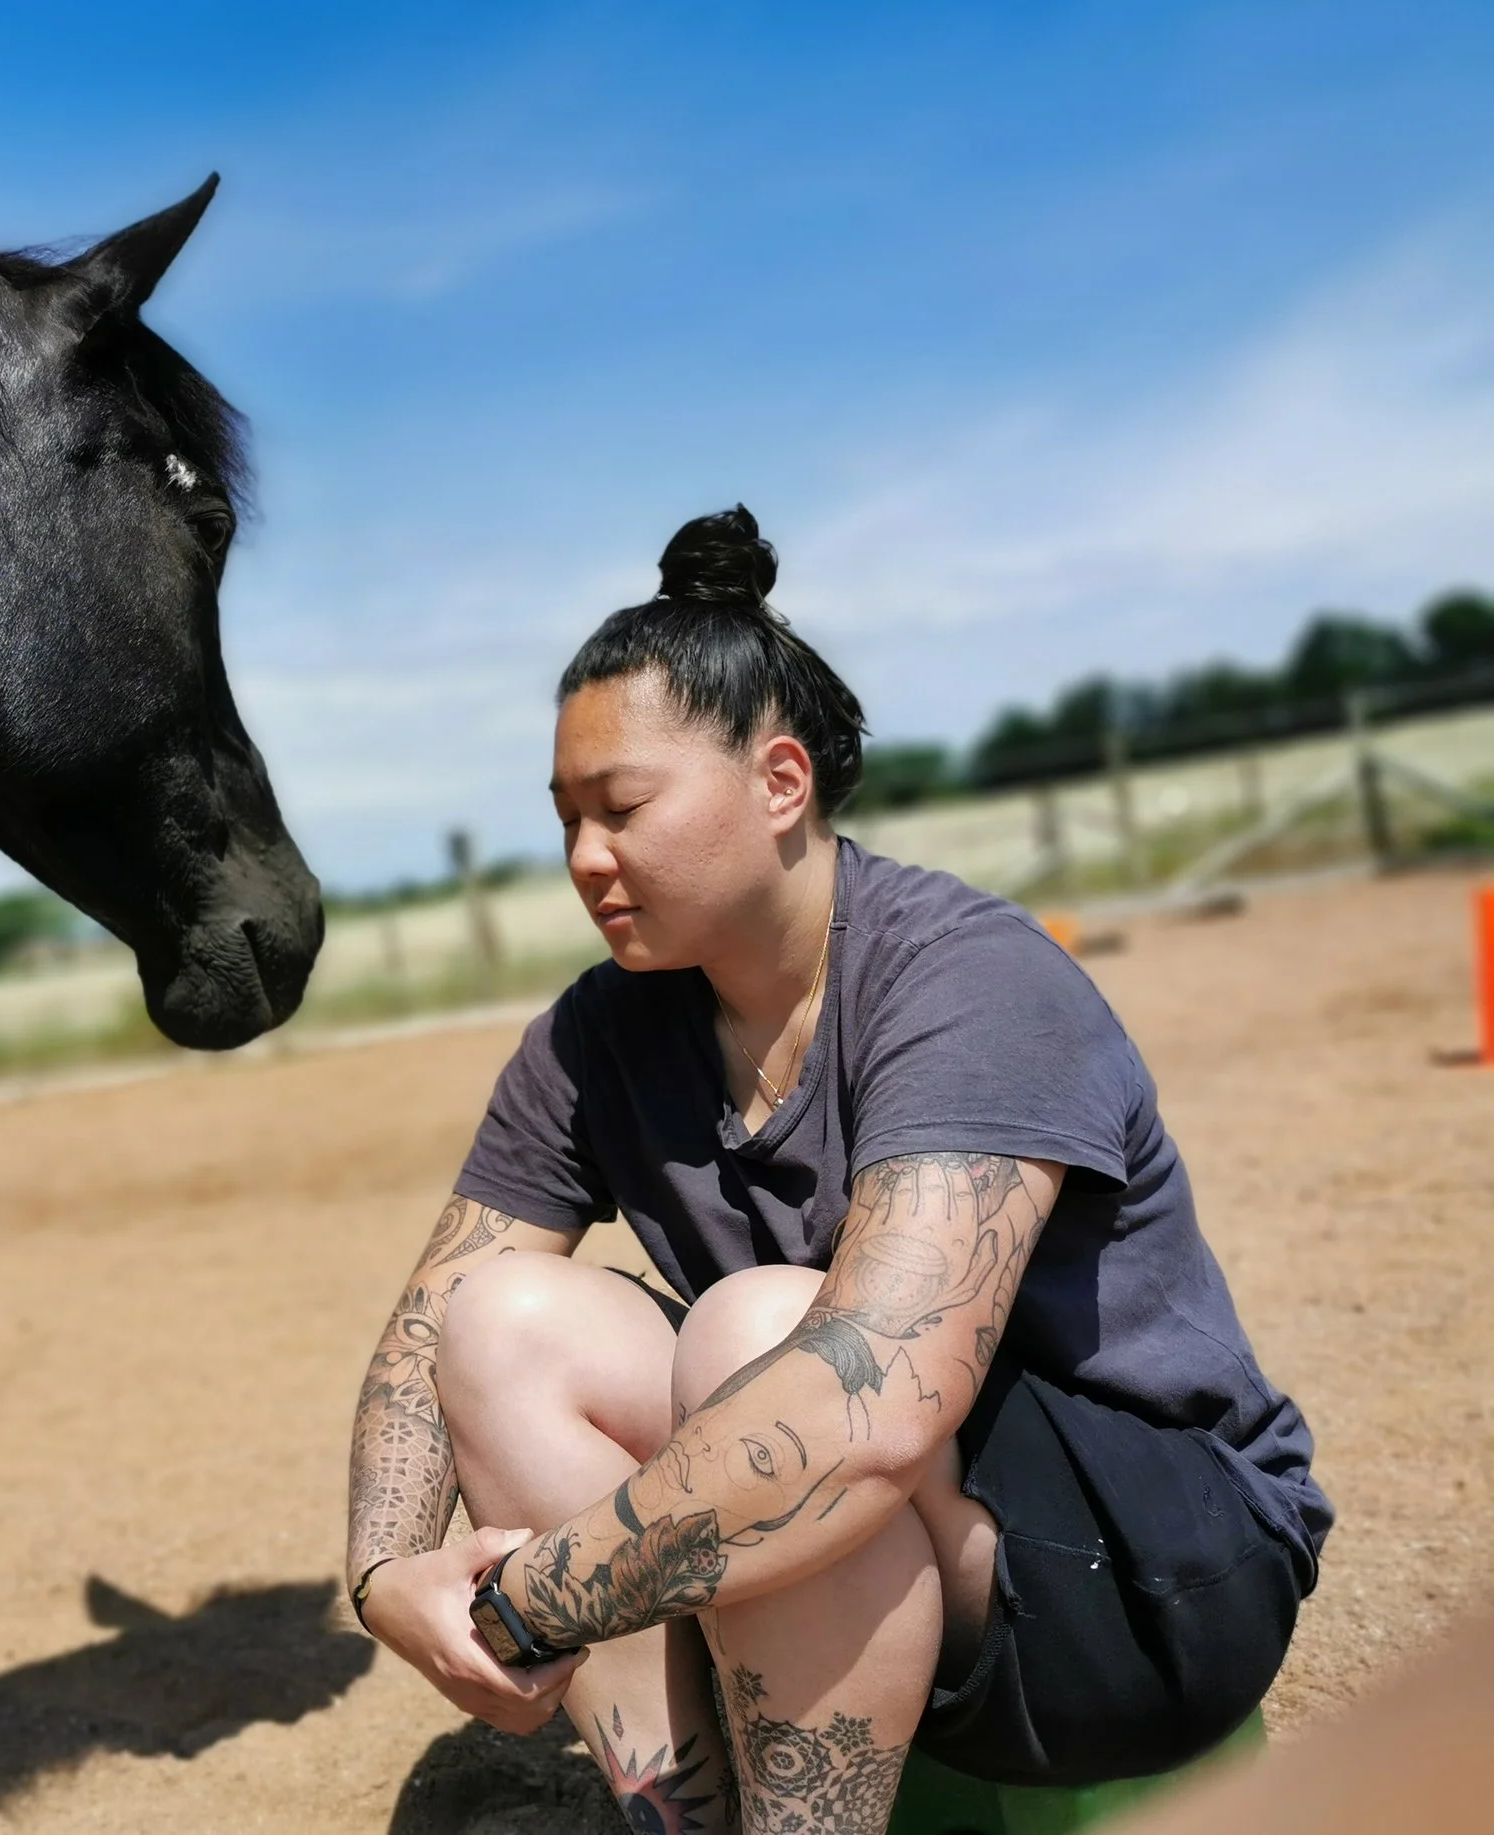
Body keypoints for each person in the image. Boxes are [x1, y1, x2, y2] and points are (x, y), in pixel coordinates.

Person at [342, 507, 1327, 1834]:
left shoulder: (967, 979)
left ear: (782, 784)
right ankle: (678, 1816)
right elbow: (427, 1328)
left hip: (1154, 1584)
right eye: (567, 820)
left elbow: (870, 1413)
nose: (586, 860)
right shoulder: (594, 1036)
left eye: (622, 809)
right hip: (865, 1543)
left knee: (771, 1338)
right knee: (503, 1322)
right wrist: (390, 1572)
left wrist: (519, 1602)